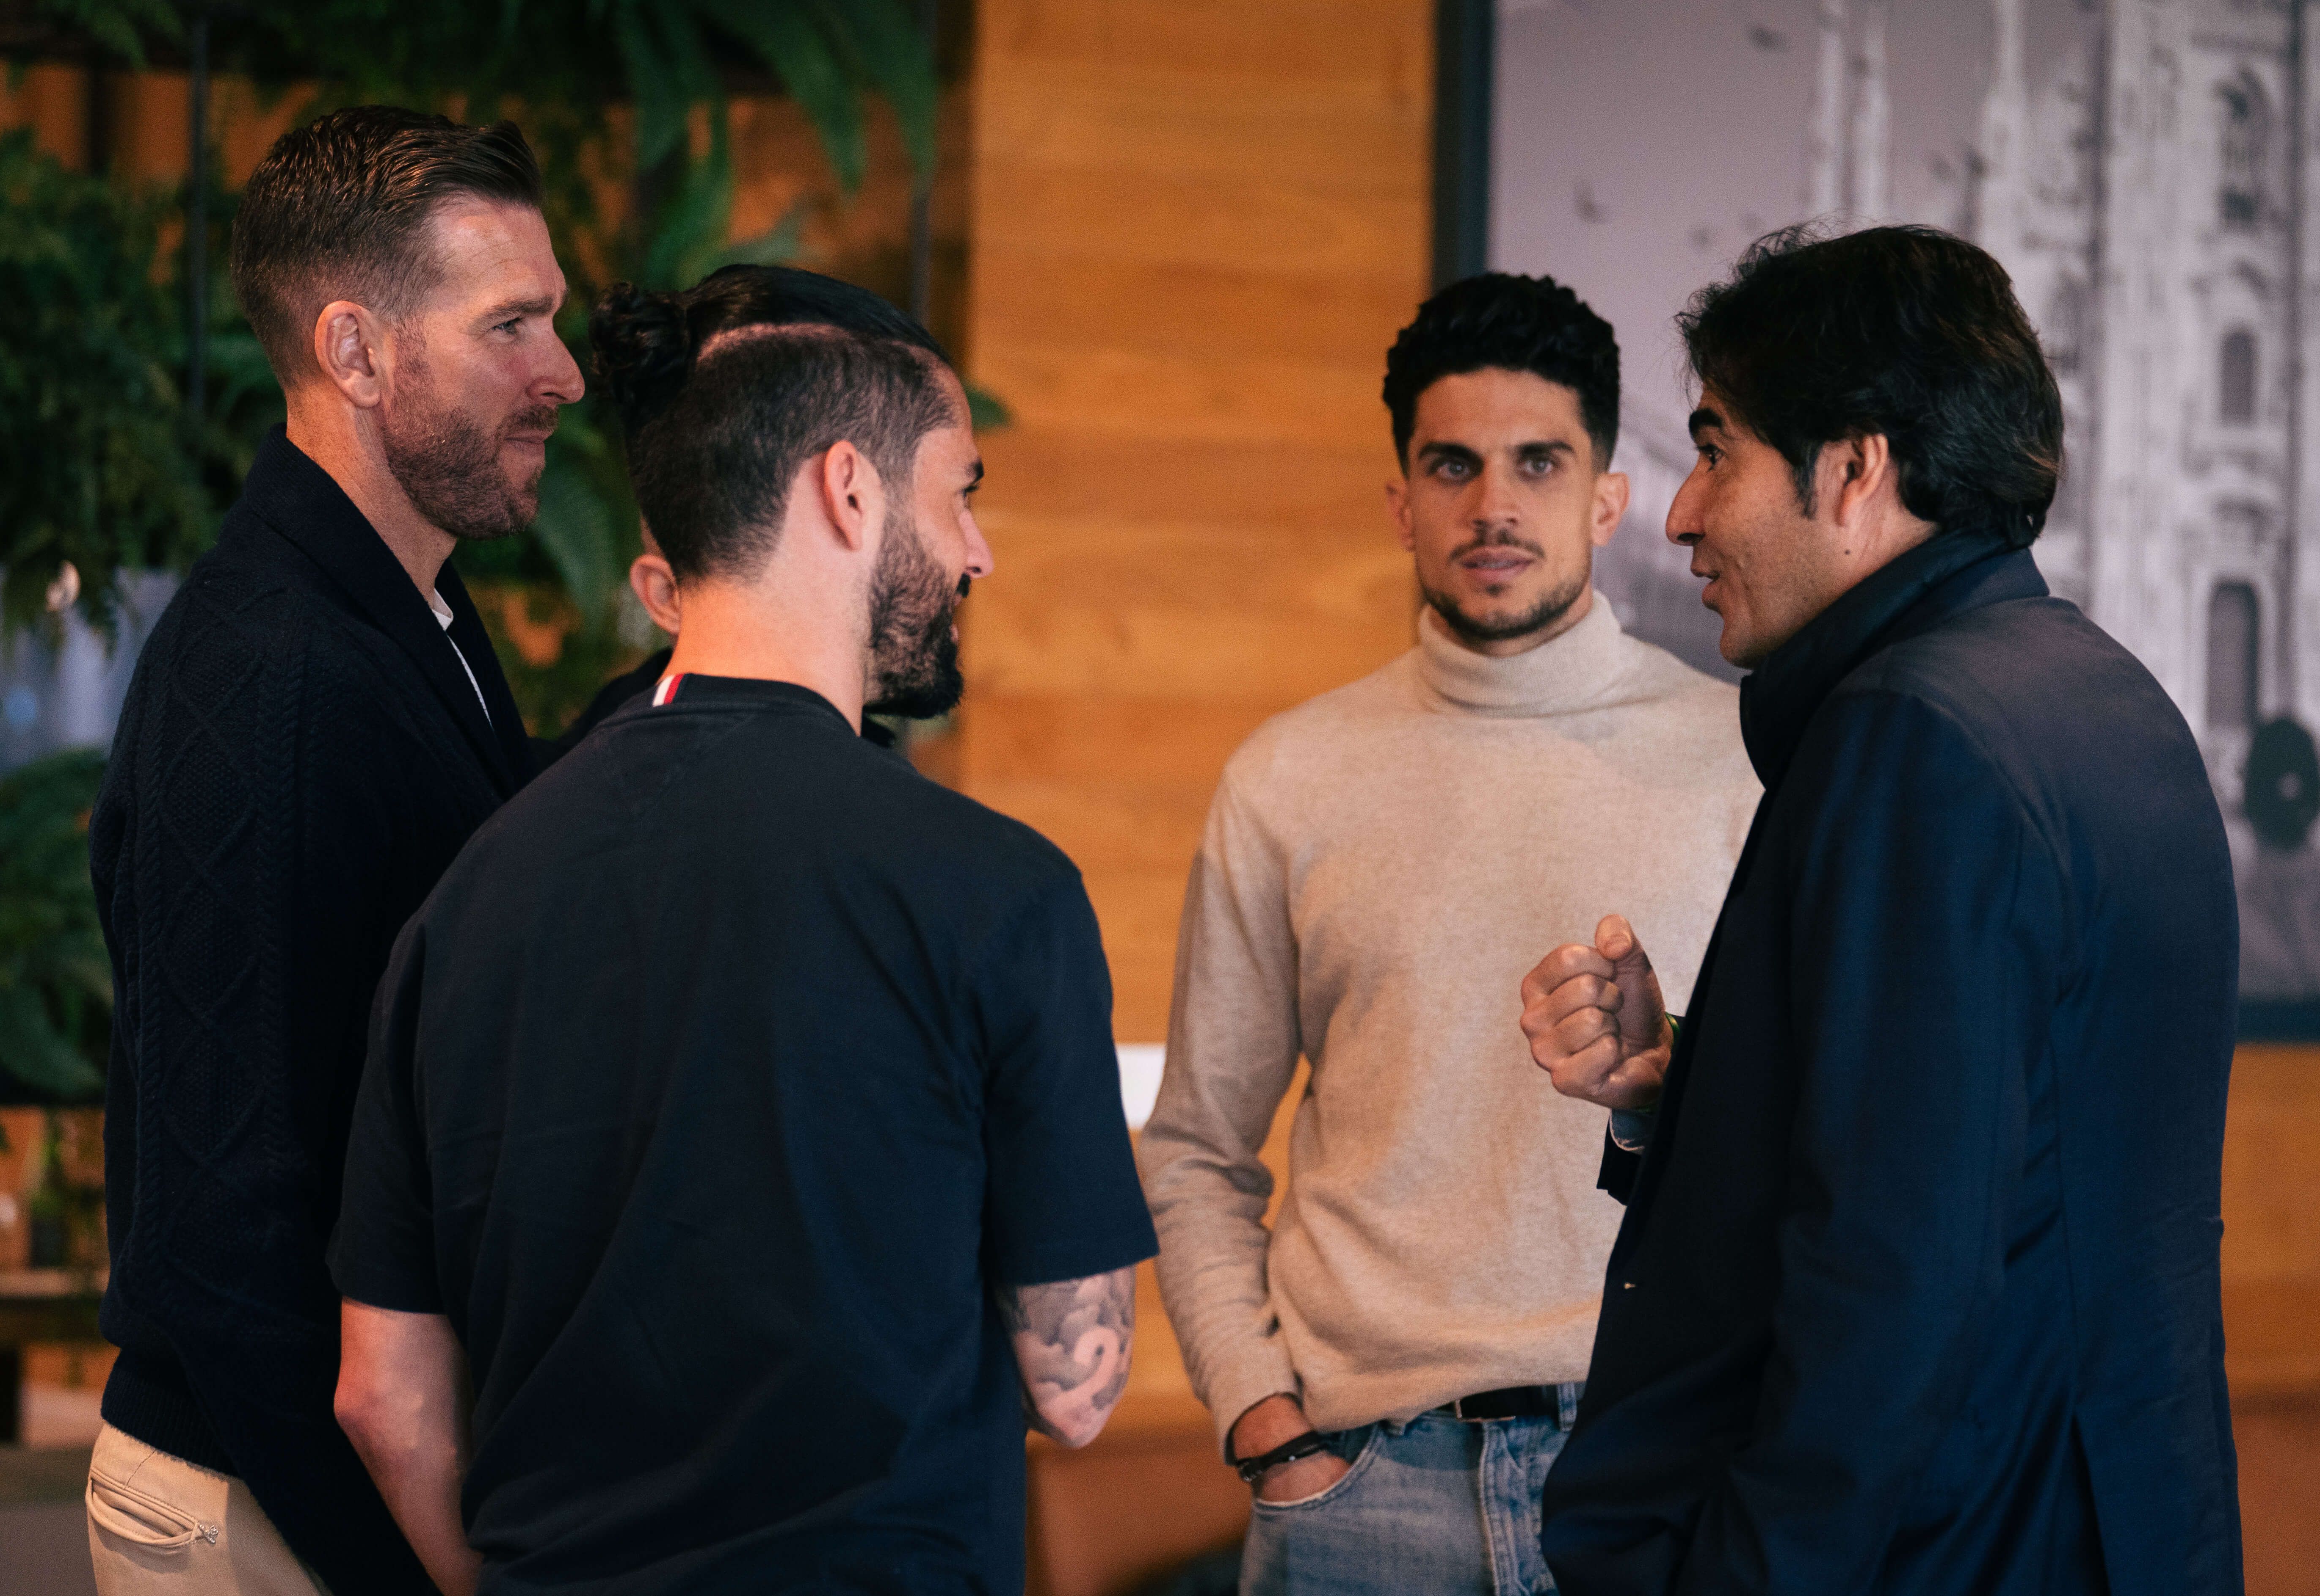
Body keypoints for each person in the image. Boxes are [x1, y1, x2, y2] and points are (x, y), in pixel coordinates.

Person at [327, 266, 1160, 1595]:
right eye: (961, 492)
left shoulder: (469, 895)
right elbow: (1075, 1388)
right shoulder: (999, 892)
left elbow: (383, 1394)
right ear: (848, 488)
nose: (975, 553)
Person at [1520, 225, 2242, 1595]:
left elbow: (1893, 1283)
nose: (1681, 513)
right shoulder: (2104, 695)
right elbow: (1993, 1158)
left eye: (1717, 447)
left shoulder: (1914, 733)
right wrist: (1688, 1087)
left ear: (1852, 472)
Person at [1136, 273, 1759, 1595]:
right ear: (1400, 502)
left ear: (1606, 494)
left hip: (1658, 1478)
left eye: (1538, 463)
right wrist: (1265, 1424)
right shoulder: (1287, 777)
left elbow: (1804, 1134)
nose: (1492, 506)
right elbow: (1194, 1149)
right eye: (1451, 465)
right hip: (1363, 1494)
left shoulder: (1743, 765)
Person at [86, 107, 583, 1595]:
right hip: (266, 1501)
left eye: (550, 320)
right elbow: (226, 1235)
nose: (560, 375)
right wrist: (419, 1565)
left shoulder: (400, 604)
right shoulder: (272, 679)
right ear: (356, 353)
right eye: (511, 326)